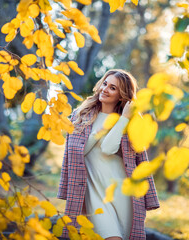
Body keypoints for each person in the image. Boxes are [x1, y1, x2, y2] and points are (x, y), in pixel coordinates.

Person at [57, 69, 160, 240]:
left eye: (113, 88)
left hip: (122, 194)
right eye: (105, 83)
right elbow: (80, 151)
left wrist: (124, 118)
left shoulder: (128, 122)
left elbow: (108, 148)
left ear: (122, 95)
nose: (105, 89)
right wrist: (104, 127)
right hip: (94, 193)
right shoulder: (80, 116)